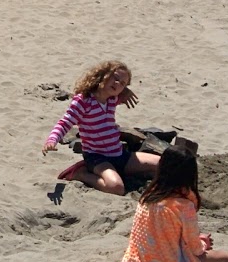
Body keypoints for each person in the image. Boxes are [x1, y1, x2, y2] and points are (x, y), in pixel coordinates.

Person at [42, 61, 159, 195]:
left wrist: (124, 90)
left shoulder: (112, 99)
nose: (117, 84)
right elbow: (64, 123)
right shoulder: (83, 101)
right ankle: (80, 173)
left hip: (120, 154)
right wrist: (52, 140)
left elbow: (120, 93)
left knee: (163, 164)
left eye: (122, 83)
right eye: (115, 78)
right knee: (116, 188)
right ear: (103, 75)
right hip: (97, 158)